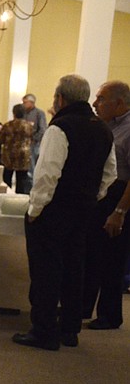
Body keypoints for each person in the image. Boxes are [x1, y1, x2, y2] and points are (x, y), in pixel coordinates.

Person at [12, 74, 116, 351]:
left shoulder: (60, 128)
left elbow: (47, 175)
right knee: (74, 268)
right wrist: (92, 197)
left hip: (54, 212)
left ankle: (44, 331)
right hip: (83, 212)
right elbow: (110, 174)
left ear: (60, 98)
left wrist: (35, 210)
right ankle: (70, 330)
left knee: (47, 271)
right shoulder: (103, 129)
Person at [83, 81, 130, 330]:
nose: (95, 103)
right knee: (94, 253)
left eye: (101, 99)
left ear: (120, 103)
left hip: (121, 197)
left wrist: (119, 212)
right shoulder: (108, 126)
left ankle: (110, 315)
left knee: (113, 258)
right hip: (107, 194)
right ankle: (84, 306)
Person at [0, 104, 33, 194]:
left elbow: (0, 140)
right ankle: (19, 201)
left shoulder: (8, 125)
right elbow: (32, 139)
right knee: (21, 181)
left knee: (7, 180)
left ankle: (6, 198)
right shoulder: (29, 126)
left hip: (9, 155)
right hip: (23, 156)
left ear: (14, 113)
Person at [22, 93, 48, 181]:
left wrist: (34, 138)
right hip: (24, 144)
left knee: (33, 168)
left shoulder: (39, 113)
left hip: (35, 144)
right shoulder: (23, 113)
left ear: (31, 102)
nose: (23, 104)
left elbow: (42, 129)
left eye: (25, 102)